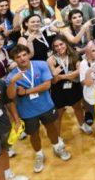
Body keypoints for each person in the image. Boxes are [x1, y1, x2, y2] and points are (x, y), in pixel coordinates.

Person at [6, 45, 72, 173]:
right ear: (14, 60)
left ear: (28, 55)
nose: (22, 58)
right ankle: (39, 154)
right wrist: (13, 83)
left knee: (52, 128)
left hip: (46, 106)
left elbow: (47, 85)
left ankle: (57, 147)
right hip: (27, 111)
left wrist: (25, 91)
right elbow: (11, 96)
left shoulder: (41, 64)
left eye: (24, 55)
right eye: (18, 57)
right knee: (34, 134)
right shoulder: (11, 77)